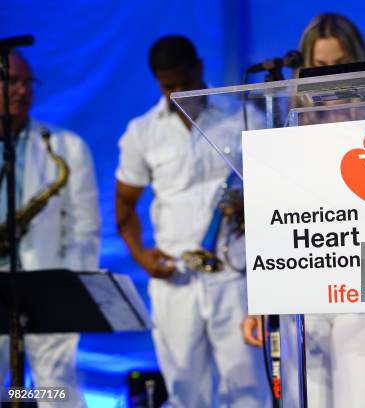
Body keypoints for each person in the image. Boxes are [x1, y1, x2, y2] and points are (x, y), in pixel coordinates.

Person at [241, 13, 365, 408]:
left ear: (358, 64)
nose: (330, 77)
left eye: (339, 65)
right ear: (304, 69)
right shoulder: (288, 133)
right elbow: (273, 223)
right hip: (307, 294)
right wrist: (261, 301)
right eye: (320, 67)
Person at [115, 35, 268, 408]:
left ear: (200, 68)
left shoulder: (244, 117)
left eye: (185, 81)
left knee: (248, 391)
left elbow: (277, 192)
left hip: (236, 276)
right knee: (185, 392)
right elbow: (124, 205)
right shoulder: (142, 131)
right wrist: (141, 255)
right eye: (169, 86)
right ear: (156, 81)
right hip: (176, 278)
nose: (179, 92)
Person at [0, 51, 100, 407]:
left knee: (55, 390)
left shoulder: (65, 147)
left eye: (28, 82)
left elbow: (85, 228)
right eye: (12, 81)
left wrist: (66, 288)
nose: (22, 91)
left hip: (47, 289)